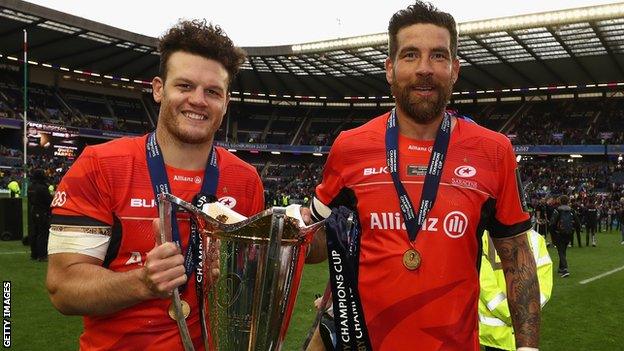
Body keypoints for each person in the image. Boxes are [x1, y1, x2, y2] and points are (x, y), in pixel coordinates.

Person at [308, 2, 541, 350]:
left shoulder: (494, 151)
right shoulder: (350, 147)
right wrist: (284, 236)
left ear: (455, 69)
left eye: (438, 56)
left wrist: (527, 348)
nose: (424, 69)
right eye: (410, 55)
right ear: (389, 68)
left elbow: (517, 257)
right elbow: (316, 247)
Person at [45, 20, 265, 350]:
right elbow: (63, 287)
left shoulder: (246, 180)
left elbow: (249, 291)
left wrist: (228, 277)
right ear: (159, 89)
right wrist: (143, 283)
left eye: (212, 92)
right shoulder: (99, 166)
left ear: (226, 101)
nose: (198, 100)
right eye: (185, 86)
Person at [478, 229, 553, 351]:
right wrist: (522, 314)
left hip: (496, 332)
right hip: (511, 332)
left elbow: (484, 284)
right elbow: (483, 282)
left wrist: (516, 313)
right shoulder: (535, 238)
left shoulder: (482, 237)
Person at [550, 195, 580, 277]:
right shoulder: (572, 210)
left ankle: (565, 269)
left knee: (561, 251)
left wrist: (552, 233)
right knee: (563, 250)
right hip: (569, 233)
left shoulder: (557, 210)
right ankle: (560, 268)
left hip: (559, 233)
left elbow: (552, 223)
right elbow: (577, 222)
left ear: (560, 201)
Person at [28, 168, 52, 261]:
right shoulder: (42, 187)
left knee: (35, 233)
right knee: (43, 234)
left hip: (34, 210)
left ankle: (34, 254)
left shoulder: (31, 187)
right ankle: (42, 255)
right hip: (42, 212)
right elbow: (48, 201)